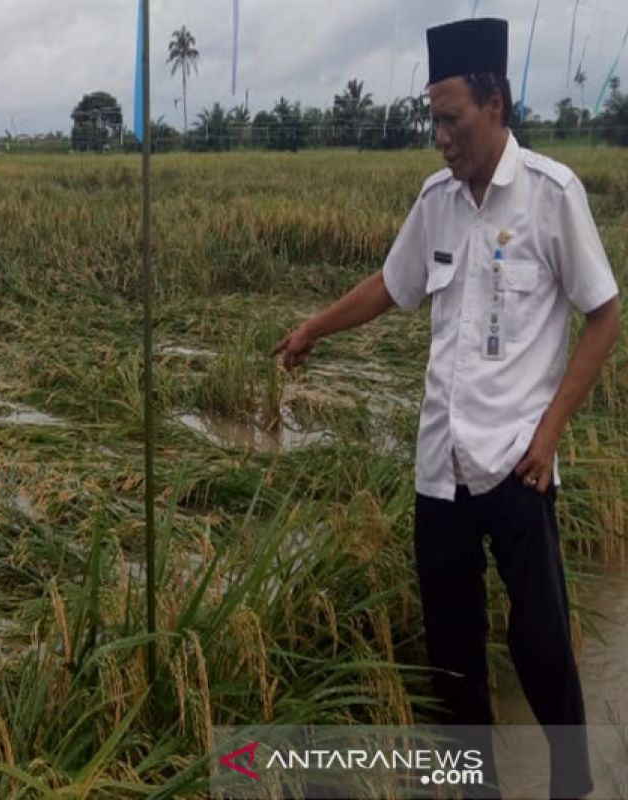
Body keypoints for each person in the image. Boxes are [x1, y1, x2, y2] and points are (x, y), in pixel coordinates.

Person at [271, 17, 621, 800]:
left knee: (541, 647)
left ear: (495, 104)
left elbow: (603, 316)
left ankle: (574, 785)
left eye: (452, 118)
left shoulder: (551, 196)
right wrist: (312, 330)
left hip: (518, 468)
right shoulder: (436, 201)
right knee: (452, 659)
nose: (439, 136)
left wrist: (551, 431)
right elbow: (392, 287)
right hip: (441, 470)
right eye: (432, 118)